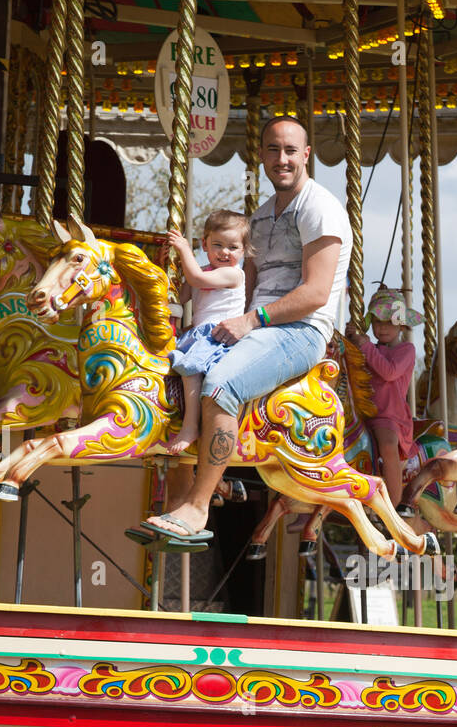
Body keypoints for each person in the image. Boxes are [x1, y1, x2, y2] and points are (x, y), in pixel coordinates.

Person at [143, 116, 352, 543]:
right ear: (262, 155)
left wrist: (251, 321)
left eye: (291, 150)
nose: (282, 159)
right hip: (254, 326)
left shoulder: (319, 208)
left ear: (307, 155)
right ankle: (193, 488)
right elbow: (245, 287)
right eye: (274, 150)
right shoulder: (258, 218)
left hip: (300, 331)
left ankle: (198, 508)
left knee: (220, 384)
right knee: (172, 372)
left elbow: (314, 294)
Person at [166, 212, 249, 454]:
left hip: (219, 337)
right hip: (198, 335)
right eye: (218, 245)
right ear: (205, 244)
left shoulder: (233, 274)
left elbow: (196, 278)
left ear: (243, 251)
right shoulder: (203, 271)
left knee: (190, 368)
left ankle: (191, 426)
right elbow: (176, 298)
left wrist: (183, 250)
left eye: (233, 247)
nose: (225, 252)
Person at [346, 287, 422, 506]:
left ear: (401, 323)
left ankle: (394, 505)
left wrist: (365, 345)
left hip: (389, 416)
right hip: (362, 411)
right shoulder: (368, 348)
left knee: (388, 444)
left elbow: (388, 372)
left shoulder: (406, 349)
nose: (382, 327)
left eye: (388, 322)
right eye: (377, 322)